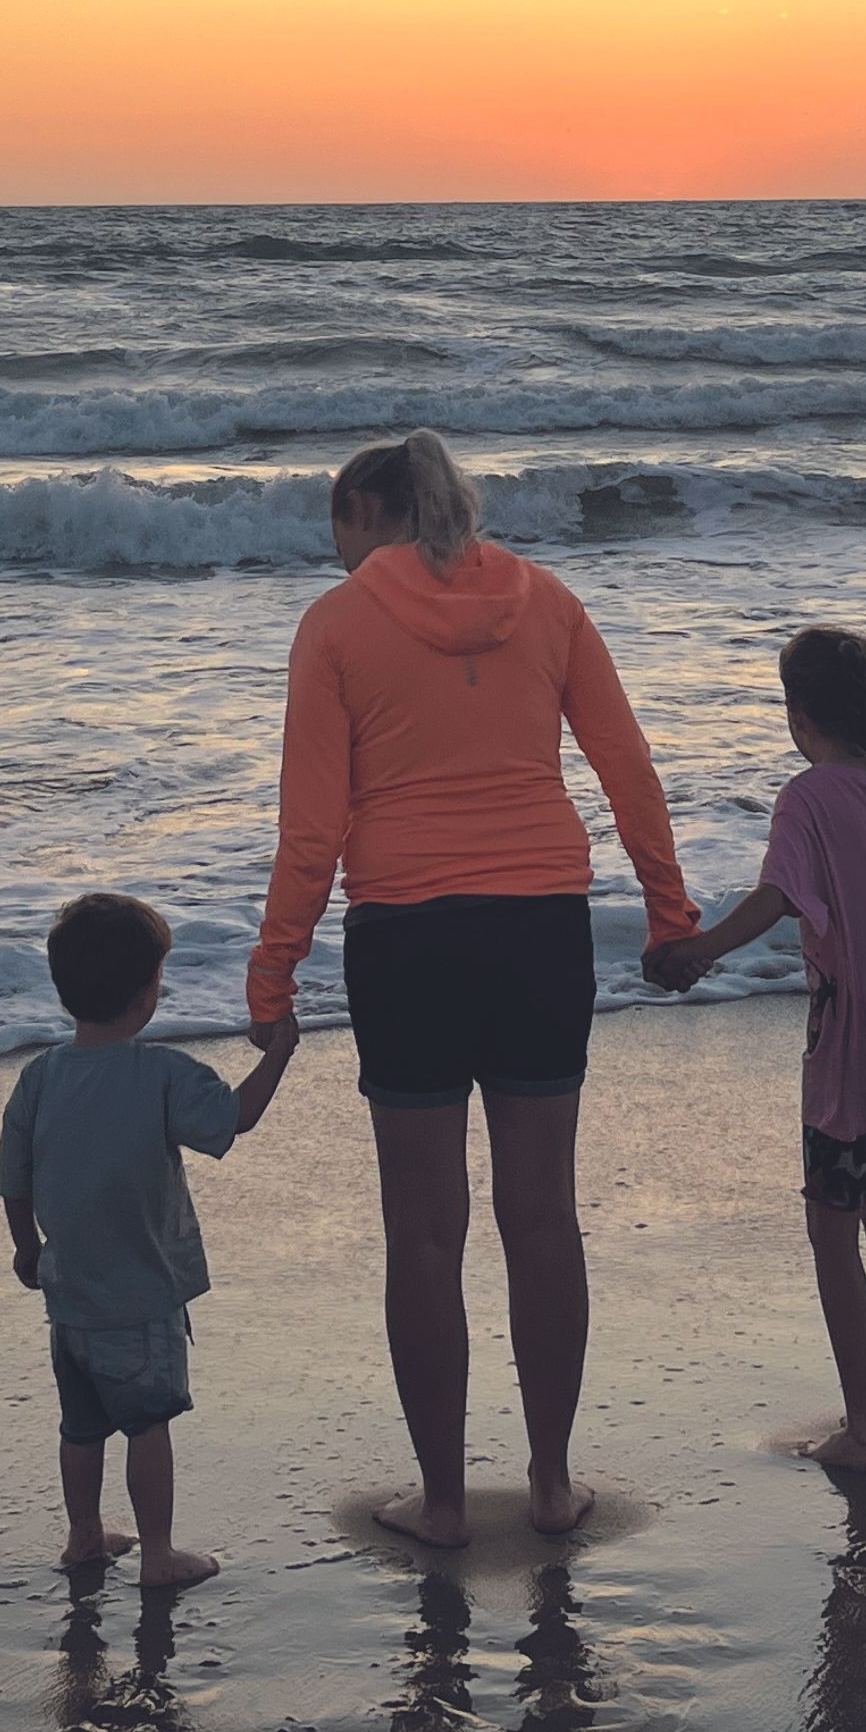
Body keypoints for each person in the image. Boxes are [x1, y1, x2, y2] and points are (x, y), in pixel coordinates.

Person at [249, 431, 697, 1546]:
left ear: (366, 512)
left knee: (424, 1231)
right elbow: (626, 765)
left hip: (406, 935)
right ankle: (549, 1485)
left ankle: (444, 1502)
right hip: (541, 926)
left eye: (337, 532)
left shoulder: (337, 625)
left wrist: (275, 970)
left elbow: (314, 827)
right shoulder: (547, 602)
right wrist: (669, 909)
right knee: (543, 1217)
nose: (337, 556)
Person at [644, 626, 866, 1471]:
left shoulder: (811, 797)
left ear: (797, 714)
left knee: (833, 1228)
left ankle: (864, 1431)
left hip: (853, 1041)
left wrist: (696, 952)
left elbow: (778, 898)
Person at [0, 891, 289, 1590]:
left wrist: (25, 1248)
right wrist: (279, 1053)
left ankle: (84, 1536)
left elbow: (15, 1175)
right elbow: (234, 1119)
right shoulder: (160, 1074)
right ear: (145, 996)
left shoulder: (41, 1076)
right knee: (148, 1422)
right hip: (142, 1291)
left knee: (81, 1426)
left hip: (68, 1294)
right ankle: (158, 1553)